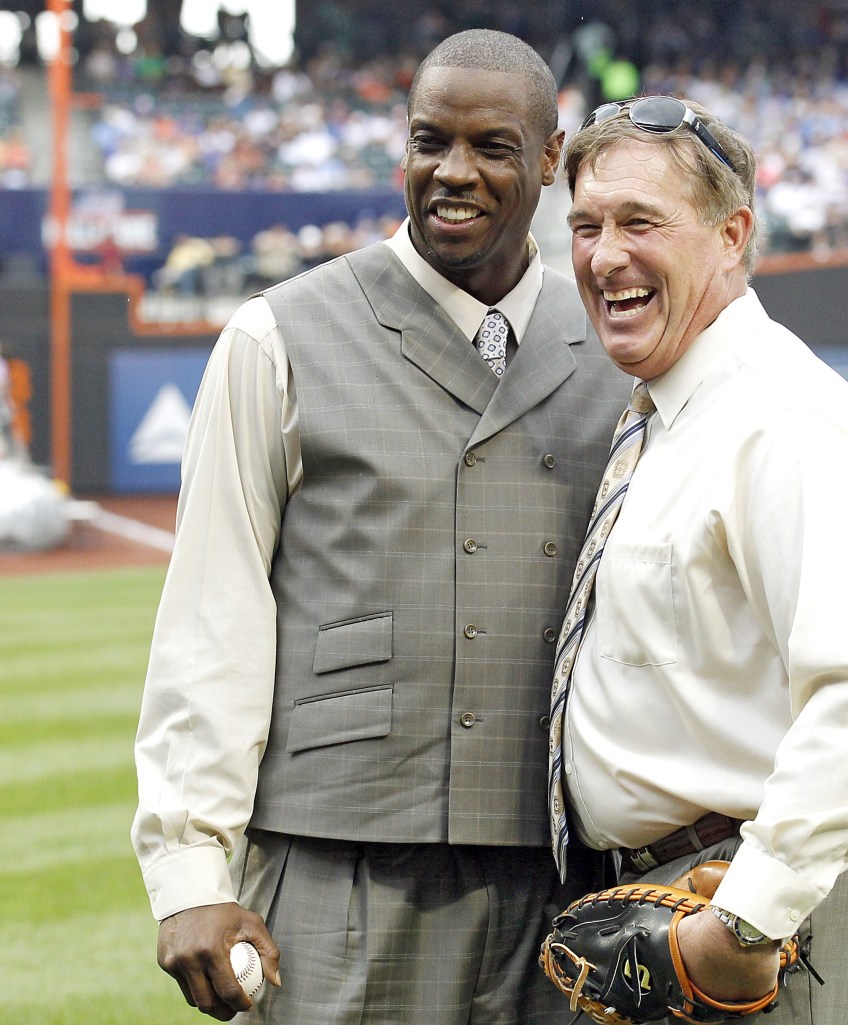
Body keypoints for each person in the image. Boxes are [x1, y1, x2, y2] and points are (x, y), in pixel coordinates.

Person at [131, 29, 628, 1025]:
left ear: (548, 160)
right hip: (338, 869)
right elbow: (211, 611)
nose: (452, 172)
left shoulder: (621, 349)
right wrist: (189, 864)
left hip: (566, 879)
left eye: (491, 146)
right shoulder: (278, 333)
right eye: (427, 141)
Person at [549, 95, 848, 1024]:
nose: (605, 257)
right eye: (587, 226)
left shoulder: (787, 419)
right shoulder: (668, 412)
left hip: (776, 899)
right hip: (686, 893)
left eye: (640, 221)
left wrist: (742, 925)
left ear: (732, 235)